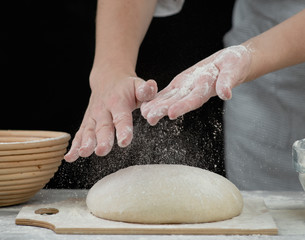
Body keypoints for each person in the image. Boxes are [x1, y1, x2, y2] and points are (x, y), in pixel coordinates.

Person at [64, 0, 305, 190]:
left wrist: (251, 56)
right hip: (268, 92)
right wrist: (112, 68)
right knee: (268, 216)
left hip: (255, 59)